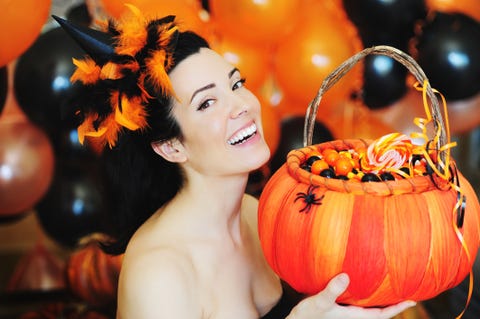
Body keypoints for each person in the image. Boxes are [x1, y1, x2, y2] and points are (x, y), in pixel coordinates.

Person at [54, 6, 416, 319]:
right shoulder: (159, 271)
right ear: (170, 147)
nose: (242, 105)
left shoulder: (257, 214)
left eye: (236, 83)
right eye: (207, 103)